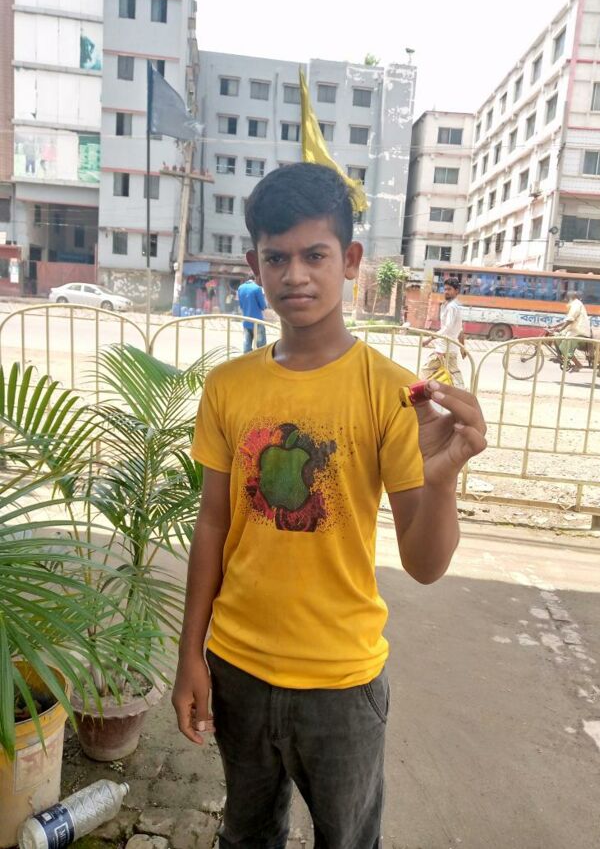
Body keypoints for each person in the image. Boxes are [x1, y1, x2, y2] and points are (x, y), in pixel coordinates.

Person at [171, 163, 487, 848]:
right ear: (254, 265)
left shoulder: (390, 391)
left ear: (349, 260)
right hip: (237, 667)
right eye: (276, 258)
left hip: (341, 682)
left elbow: (425, 564)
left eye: (315, 255)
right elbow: (213, 524)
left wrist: (443, 480)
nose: (296, 276)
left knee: (347, 838)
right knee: (246, 833)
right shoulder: (228, 387)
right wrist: (191, 653)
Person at [421, 277, 466, 387]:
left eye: (449, 289)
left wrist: (429, 339)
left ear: (456, 291)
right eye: (445, 289)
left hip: (444, 350)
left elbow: (448, 328)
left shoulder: (452, 307)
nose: (446, 292)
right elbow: (459, 329)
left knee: (426, 371)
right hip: (447, 349)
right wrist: (462, 347)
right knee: (452, 375)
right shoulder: (449, 305)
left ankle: (426, 392)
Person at [549, 290, 590, 371]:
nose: (565, 300)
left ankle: (578, 365)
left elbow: (570, 320)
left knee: (564, 347)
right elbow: (566, 320)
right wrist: (554, 327)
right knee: (558, 337)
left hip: (579, 331)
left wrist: (561, 329)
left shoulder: (576, 304)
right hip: (574, 330)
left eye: (566, 298)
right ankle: (562, 357)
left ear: (570, 297)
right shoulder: (574, 304)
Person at [237, 276, 268, 353]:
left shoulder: (240, 288)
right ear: (256, 279)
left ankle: (247, 359)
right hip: (257, 321)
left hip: (246, 320)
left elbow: (241, 305)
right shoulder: (257, 288)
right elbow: (263, 306)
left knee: (246, 346)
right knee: (261, 347)